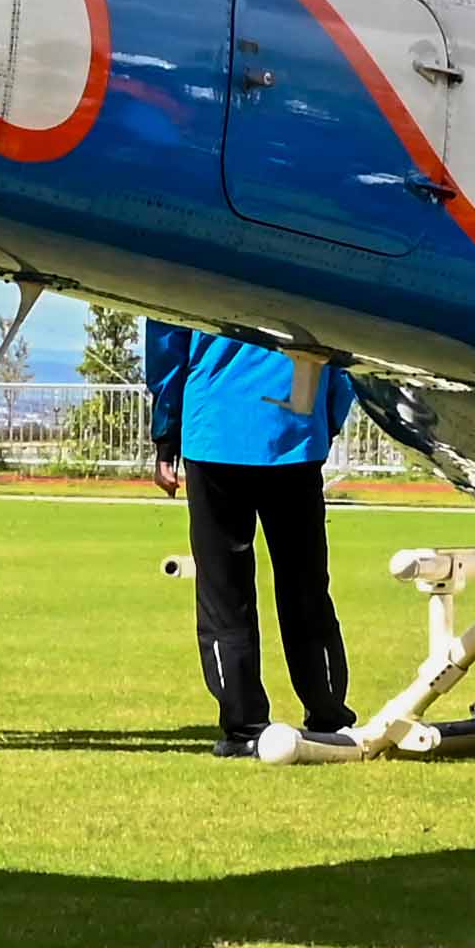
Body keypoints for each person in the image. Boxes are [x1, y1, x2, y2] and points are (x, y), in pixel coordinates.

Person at [142, 317, 361, 758]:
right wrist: (327, 416)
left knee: (224, 593)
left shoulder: (192, 252)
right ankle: (328, 712)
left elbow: (167, 341)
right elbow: (342, 343)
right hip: (295, 429)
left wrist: (166, 432)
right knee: (306, 588)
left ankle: (244, 726)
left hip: (215, 426)